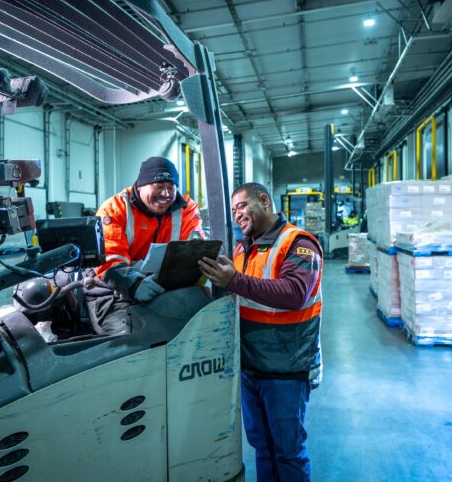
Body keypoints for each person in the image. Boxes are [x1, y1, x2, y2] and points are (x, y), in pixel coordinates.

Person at [199, 182, 322, 482]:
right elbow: (241, 295)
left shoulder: (298, 243)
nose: (237, 214)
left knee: (288, 452)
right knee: (262, 448)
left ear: (264, 201)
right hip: (250, 368)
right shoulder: (243, 248)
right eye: (234, 210)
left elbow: (295, 293)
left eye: (242, 206)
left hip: (285, 369)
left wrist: (234, 281)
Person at [88, 156, 204, 335]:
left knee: (197, 326)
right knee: (130, 338)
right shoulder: (114, 209)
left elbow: (194, 252)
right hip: (113, 290)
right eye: (159, 187)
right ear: (141, 186)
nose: (166, 194)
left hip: (163, 288)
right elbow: (109, 261)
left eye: (171, 188)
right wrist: (134, 284)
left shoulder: (186, 209)